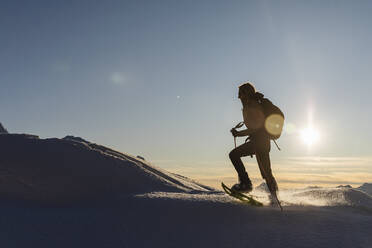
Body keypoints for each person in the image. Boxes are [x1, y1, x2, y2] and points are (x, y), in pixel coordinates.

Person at [229, 82, 279, 198]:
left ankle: (246, 184)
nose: (238, 97)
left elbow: (256, 127)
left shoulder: (253, 105)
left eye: (240, 94)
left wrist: (238, 133)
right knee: (266, 172)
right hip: (261, 142)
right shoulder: (252, 105)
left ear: (246, 93)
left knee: (234, 155)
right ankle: (274, 196)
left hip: (260, 142)